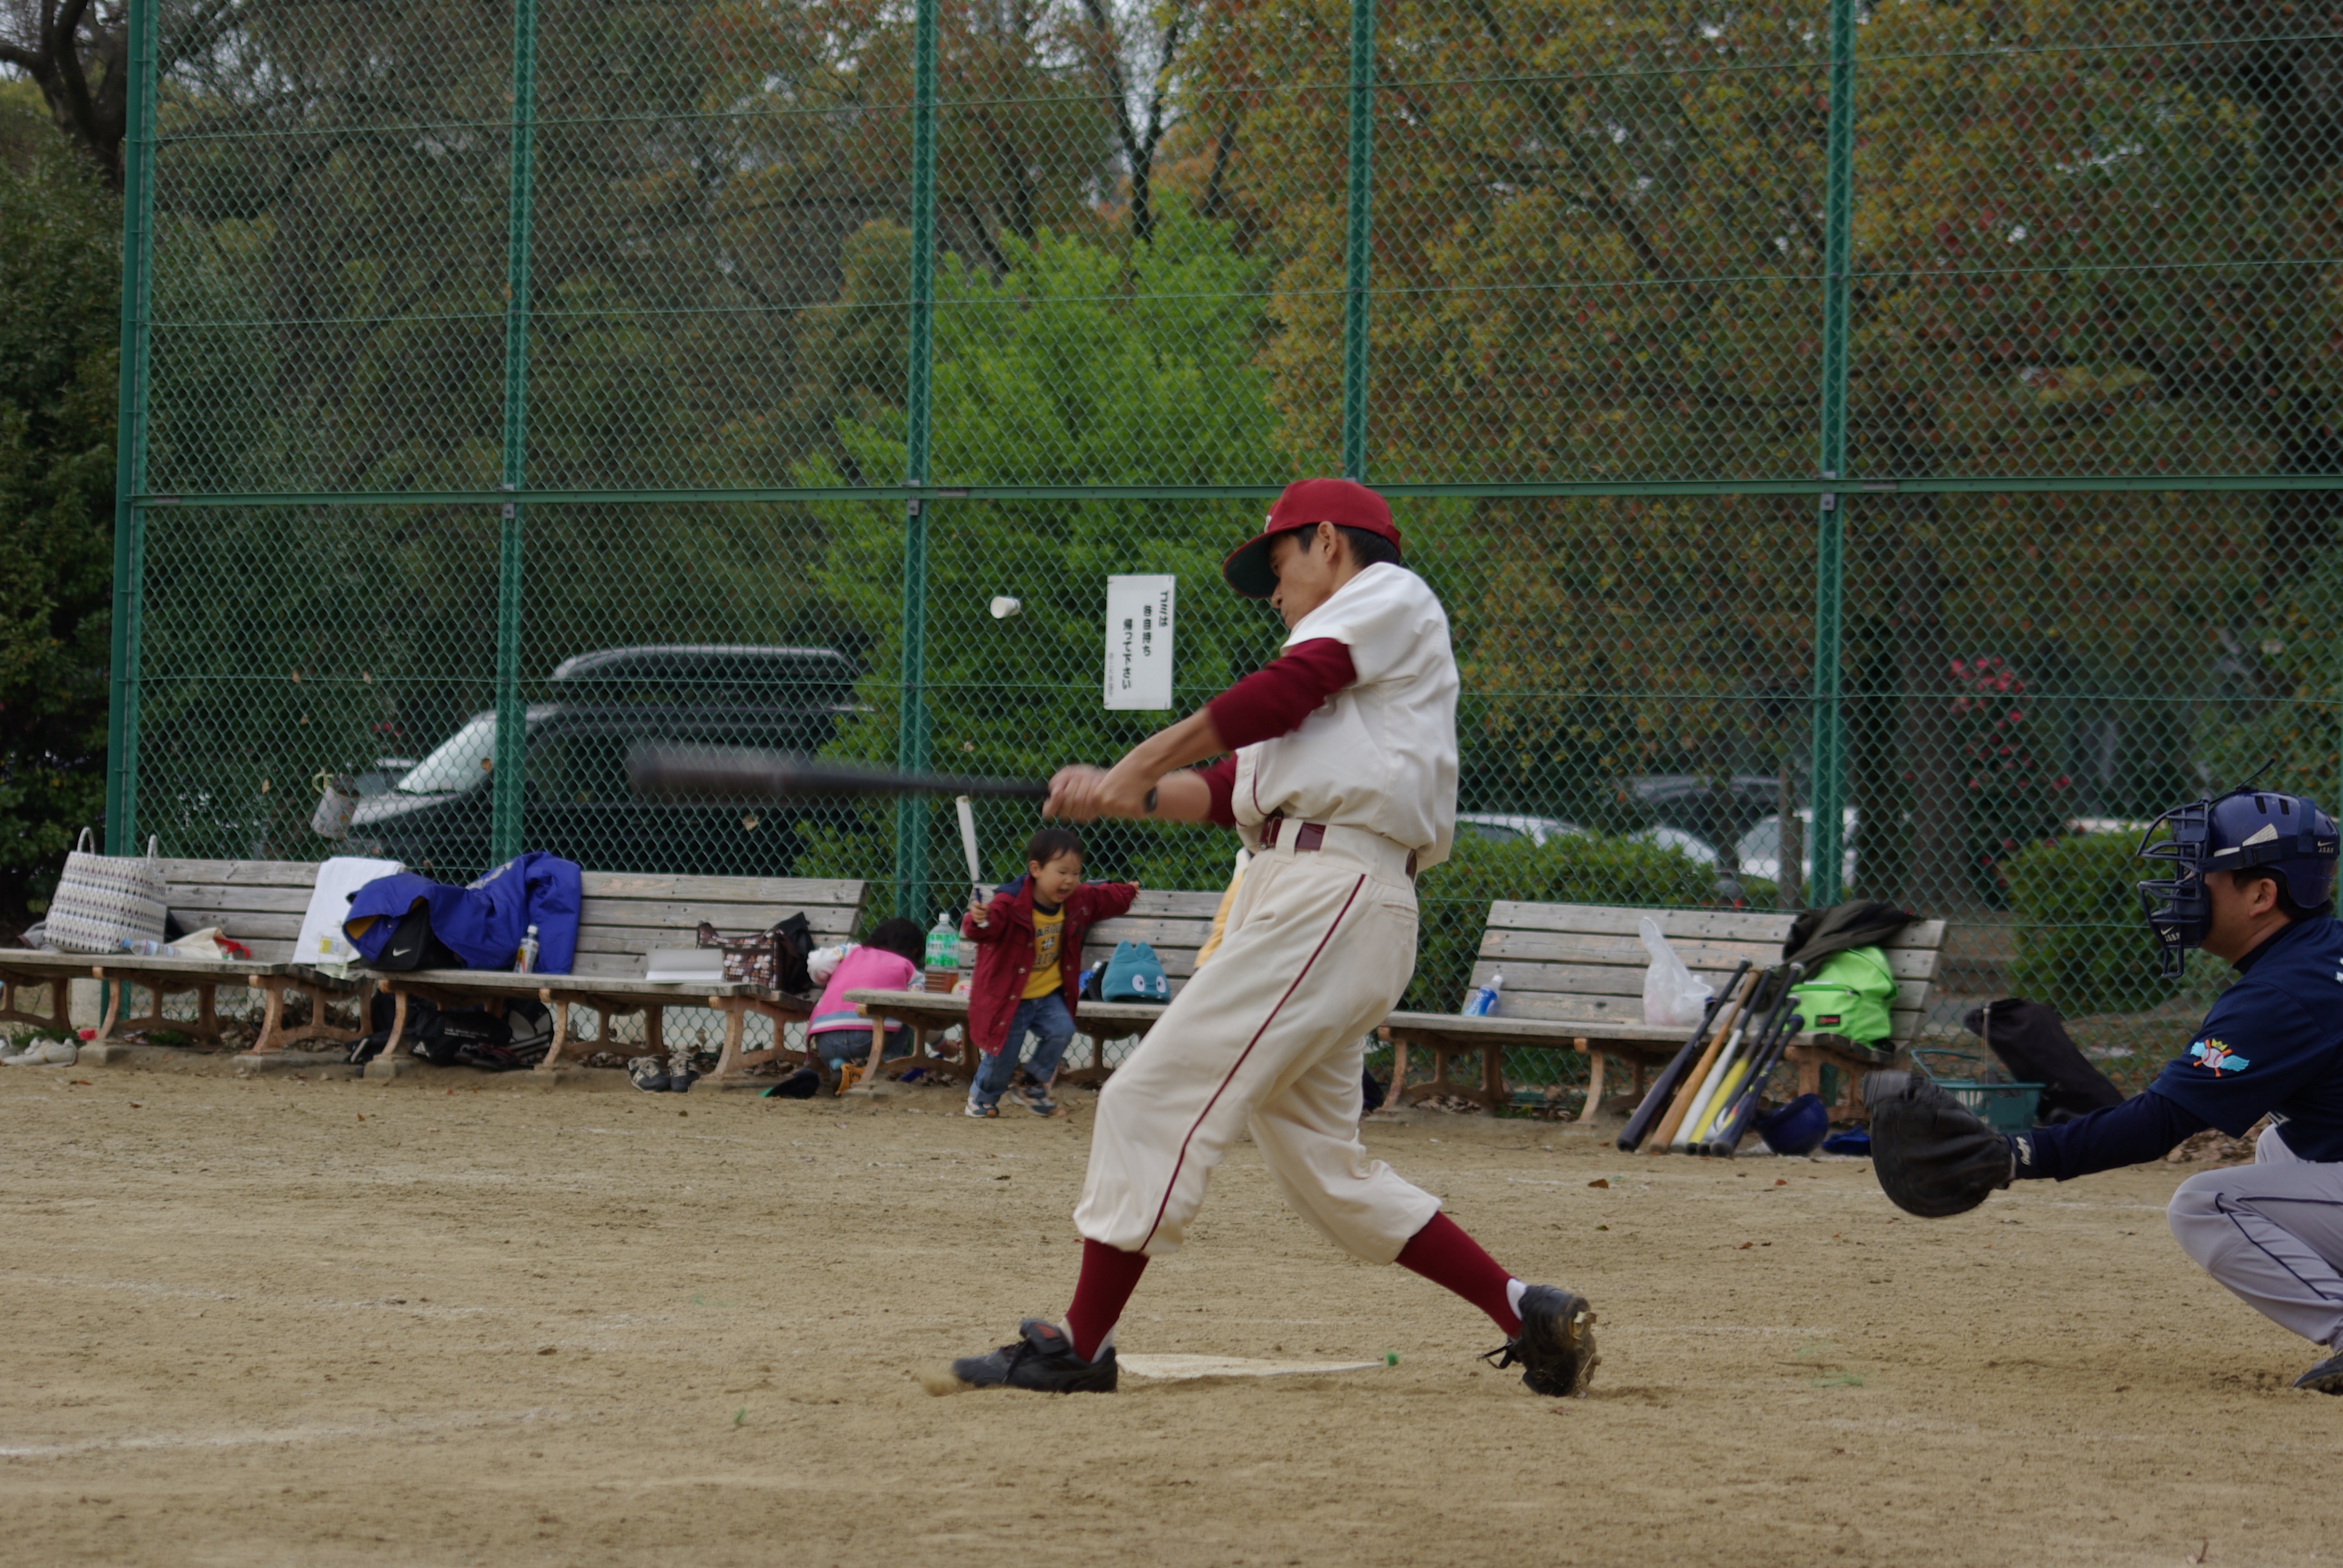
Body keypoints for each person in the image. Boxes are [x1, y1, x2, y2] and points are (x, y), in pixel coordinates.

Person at [937, 477, 1599, 1397]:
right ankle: (1524, 1309)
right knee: (1325, 1168)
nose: (1273, 591)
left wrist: (1137, 759)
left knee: (1149, 1097)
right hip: (1310, 890)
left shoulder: (1387, 599)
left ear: (1329, 542)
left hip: (1333, 894)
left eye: (1279, 564)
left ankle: (1080, 1344)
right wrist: (1125, 793)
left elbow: (1280, 697)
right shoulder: (1341, 673)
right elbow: (1232, 793)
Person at [1869, 784, 2343, 1394]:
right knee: (2284, 1148)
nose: (2183, 886)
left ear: (2261, 895)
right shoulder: (2318, 956)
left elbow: (2157, 1124)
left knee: (2206, 1205)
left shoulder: (2281, 993)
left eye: (2202, 873)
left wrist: (2017, 1155)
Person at [961, 826, 1136, 1118]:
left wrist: (1128, 891)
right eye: (1062, 872)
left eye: (1076, 873)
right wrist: (977, 919)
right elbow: (982, 929)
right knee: (1003, 1053)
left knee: (1062, 1030)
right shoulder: (1009, 903)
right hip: (1011, 997)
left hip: (1047, 992)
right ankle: (982, 1097)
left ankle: (1031, 1085)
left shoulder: (1076, 900)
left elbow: (1101, 897)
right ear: (1036, 870)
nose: (1069, 880)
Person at [805, 916, 926, 1080]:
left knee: (833, 1050)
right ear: (915, 951)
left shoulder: (850, 951)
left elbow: (818, 962)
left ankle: (838, 1065)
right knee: (907, 1005)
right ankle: (890, 1063)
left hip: (825, 1040)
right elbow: (918, 1012)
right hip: (870, 1039)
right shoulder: (908, 968)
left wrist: (824, 980)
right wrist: (943, 1045)